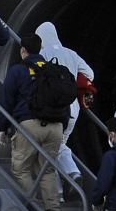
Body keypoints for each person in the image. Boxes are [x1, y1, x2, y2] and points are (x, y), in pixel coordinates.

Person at [0, 34, 69, 211]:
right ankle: (54, 210)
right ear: (40, 50)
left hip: (29, 125)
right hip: (55, 127)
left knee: (21, 168)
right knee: (47, 169)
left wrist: (2, 127)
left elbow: (8, 100)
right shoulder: (52, 71)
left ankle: (35, 209)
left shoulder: (18, 71)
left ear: (23, 51)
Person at [36, 23, 96, 180]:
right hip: (73, 109)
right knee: (59, 144)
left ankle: (67, 179)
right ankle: (70, 176)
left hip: (52, 109)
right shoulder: (71, 54)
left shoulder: (43, 54)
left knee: (48, 147)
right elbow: (90, 73)